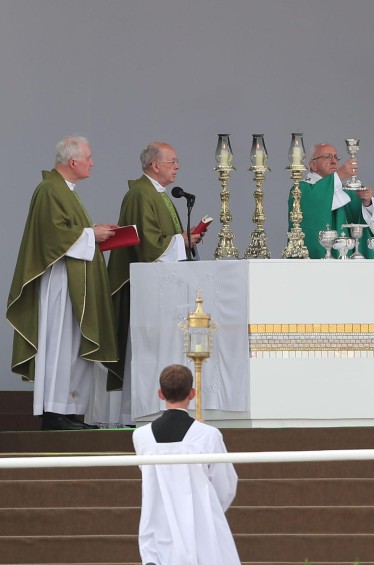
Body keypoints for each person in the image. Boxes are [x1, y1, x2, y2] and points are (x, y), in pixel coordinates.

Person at [6, 136, 118, 430]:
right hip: (60, 281)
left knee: (73, 345)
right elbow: (52, 235)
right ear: (73, 162)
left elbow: (71, 232)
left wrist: (95, 233)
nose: (92, 163)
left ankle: (69, 411)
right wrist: (92, 234)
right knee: (59, 345)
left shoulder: (65, 190)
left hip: (74, 279)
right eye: (89, 157)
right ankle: (54, 413)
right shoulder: (49, 189)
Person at [105, 142, 204, 424]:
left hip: (164, 285)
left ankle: (160, 404)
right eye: (172, 161)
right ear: (154, 165)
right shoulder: (140, 194)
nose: (177, 166)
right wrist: (181, 241)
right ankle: (140, 408)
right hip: (147, 287)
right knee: (146, 348)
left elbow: (163, 240)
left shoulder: (158, 194)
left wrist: (186, 240)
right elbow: (148, 246)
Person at [133, 364, 241, 565]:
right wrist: (207, 507)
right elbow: (226, 484)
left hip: (157, 523)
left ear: (160, 394)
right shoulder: (208, 435)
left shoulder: (141, 436)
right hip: (200, 525)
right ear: (192, 393)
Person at [291, 142, 374, 258]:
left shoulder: (346, 191)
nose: (334, 161)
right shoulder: (301, 189)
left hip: (347, 263)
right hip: (314, 263)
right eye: (327, 157)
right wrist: (339, 175)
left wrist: (368, 203)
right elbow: (313, 204)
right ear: (313, 165)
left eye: (336, 157)